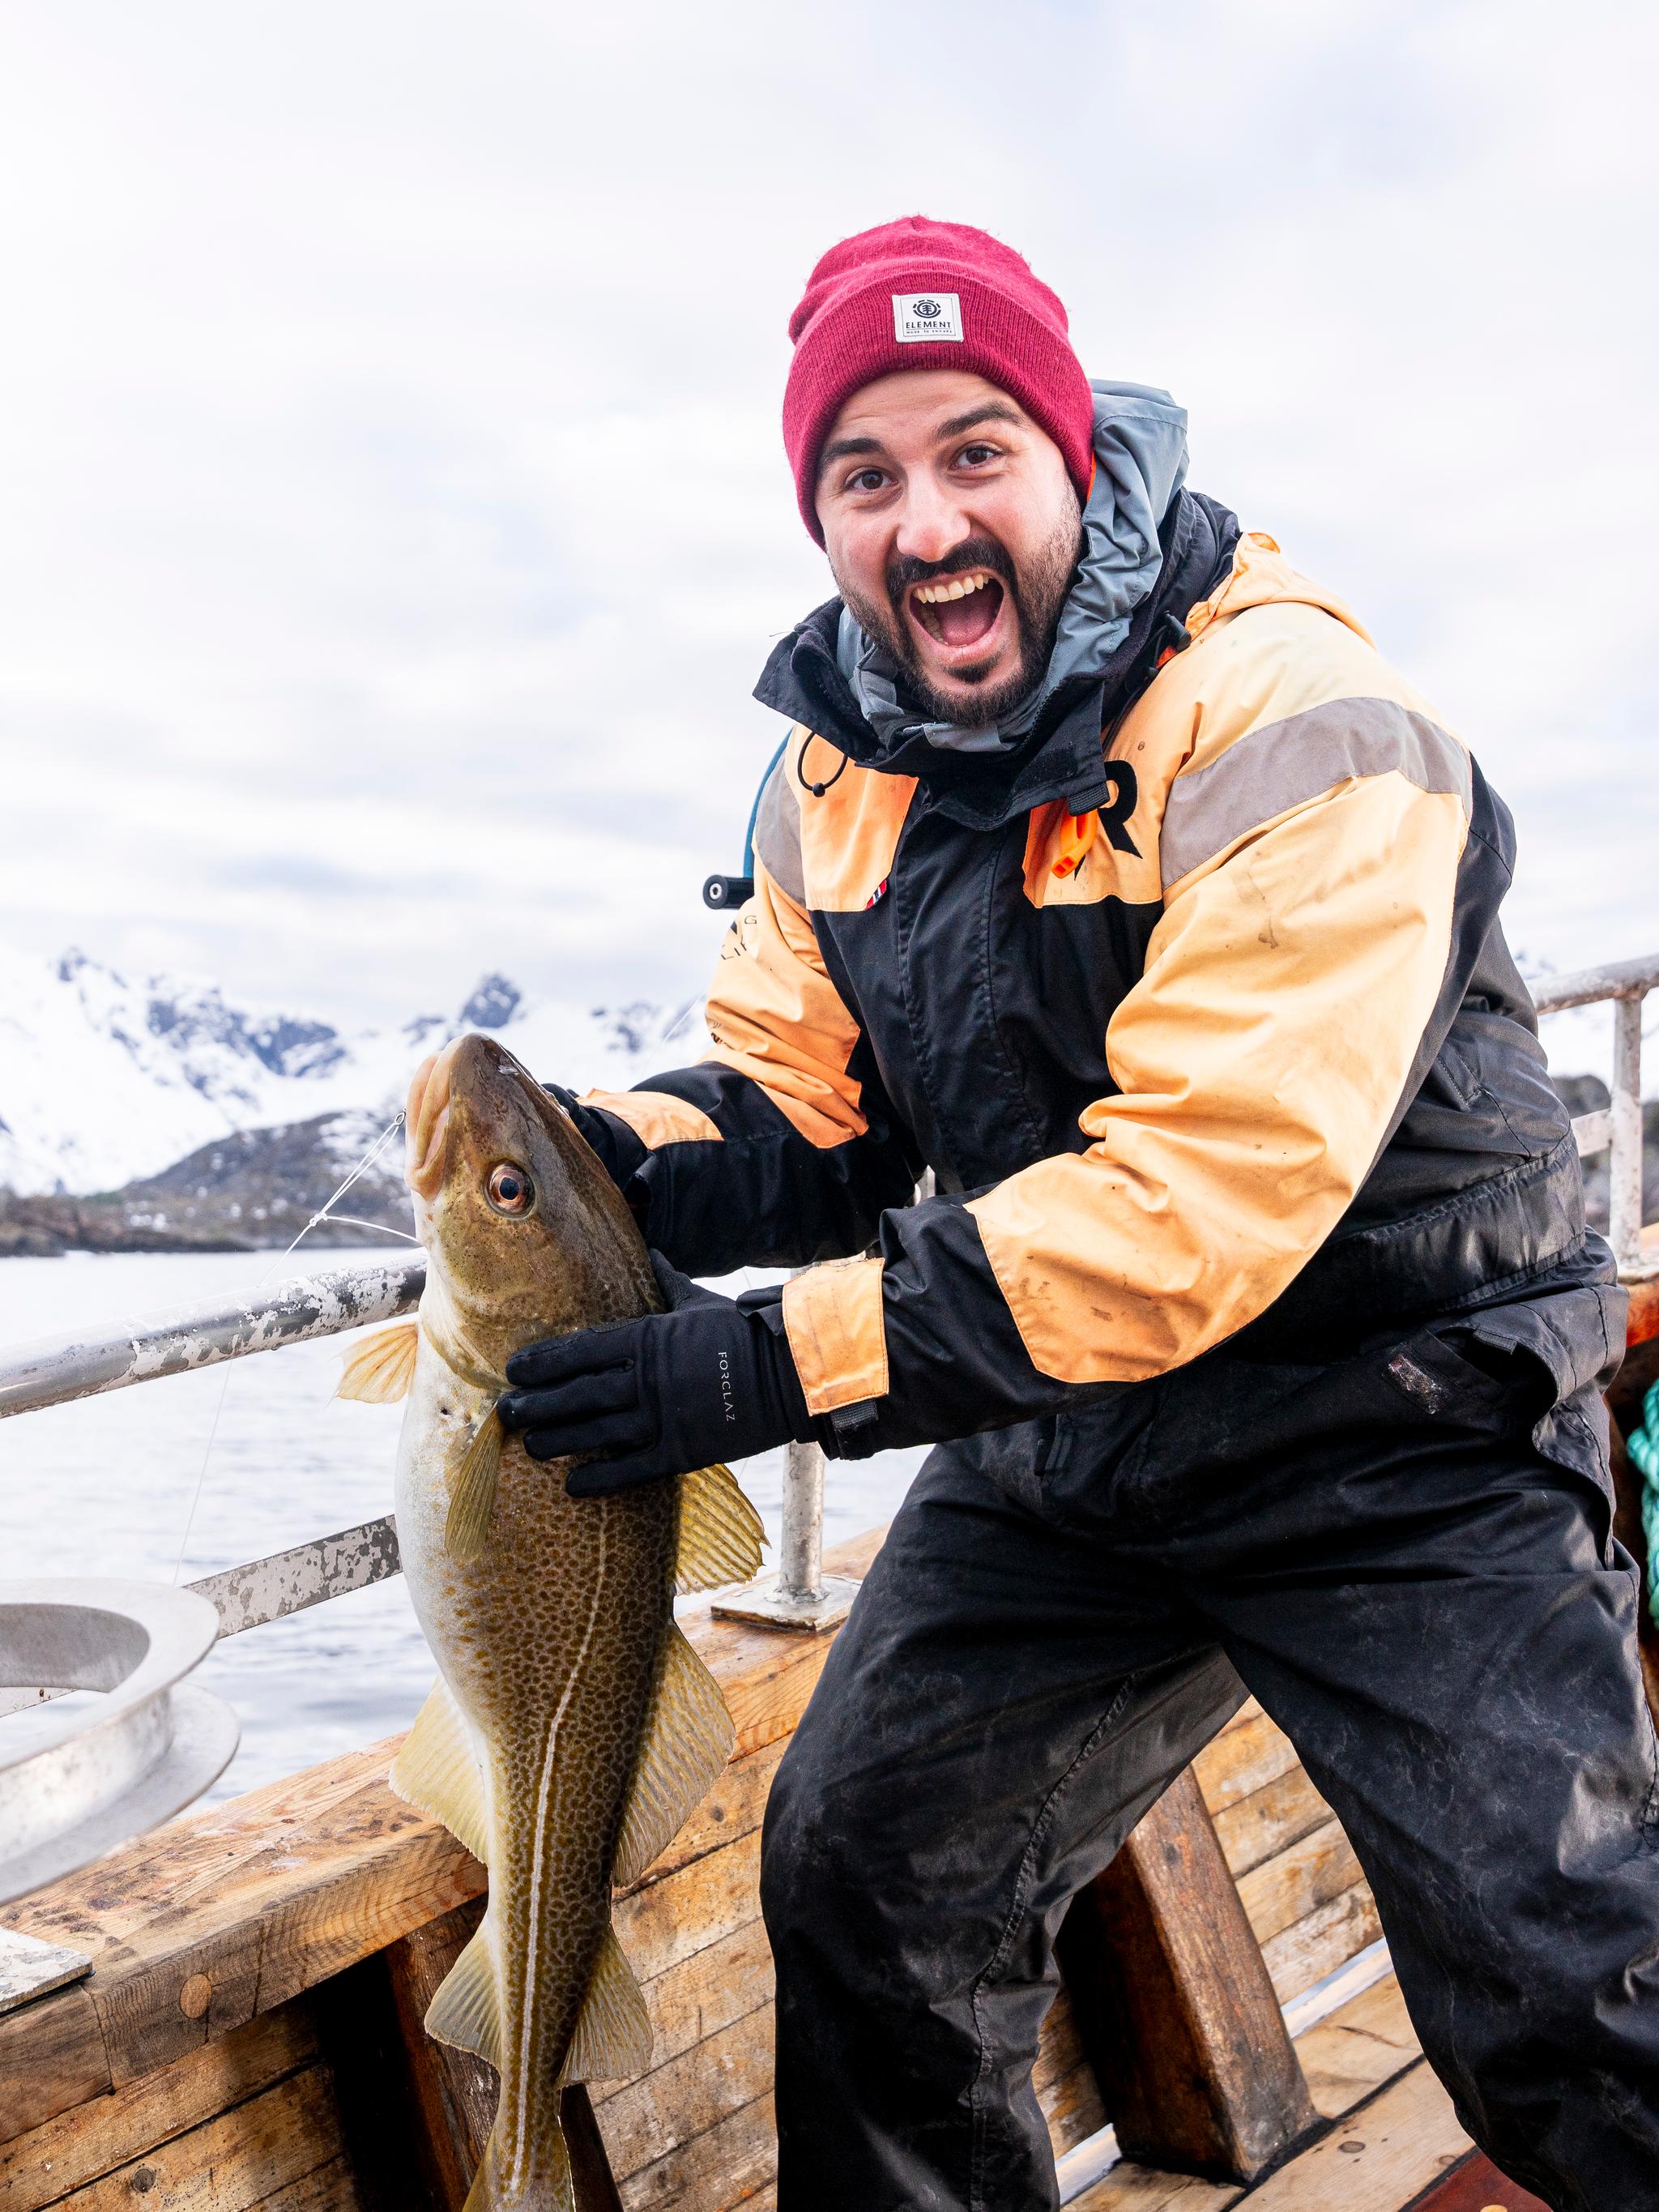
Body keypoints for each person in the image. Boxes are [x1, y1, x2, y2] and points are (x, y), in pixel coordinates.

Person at [497, 217, 1659, 2210]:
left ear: (1069, 455)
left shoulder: (1300, 717)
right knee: (862, 1881)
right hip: (1072, 1434)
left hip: (1392, 1420)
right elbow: (801, 1104)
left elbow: (1202, 1196)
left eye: (972, 454)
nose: (926, 523)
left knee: (1567, 1996)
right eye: (863, 478)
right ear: (819, 520)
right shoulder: (826, 774)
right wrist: (555, 1158)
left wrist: (759, 1363)